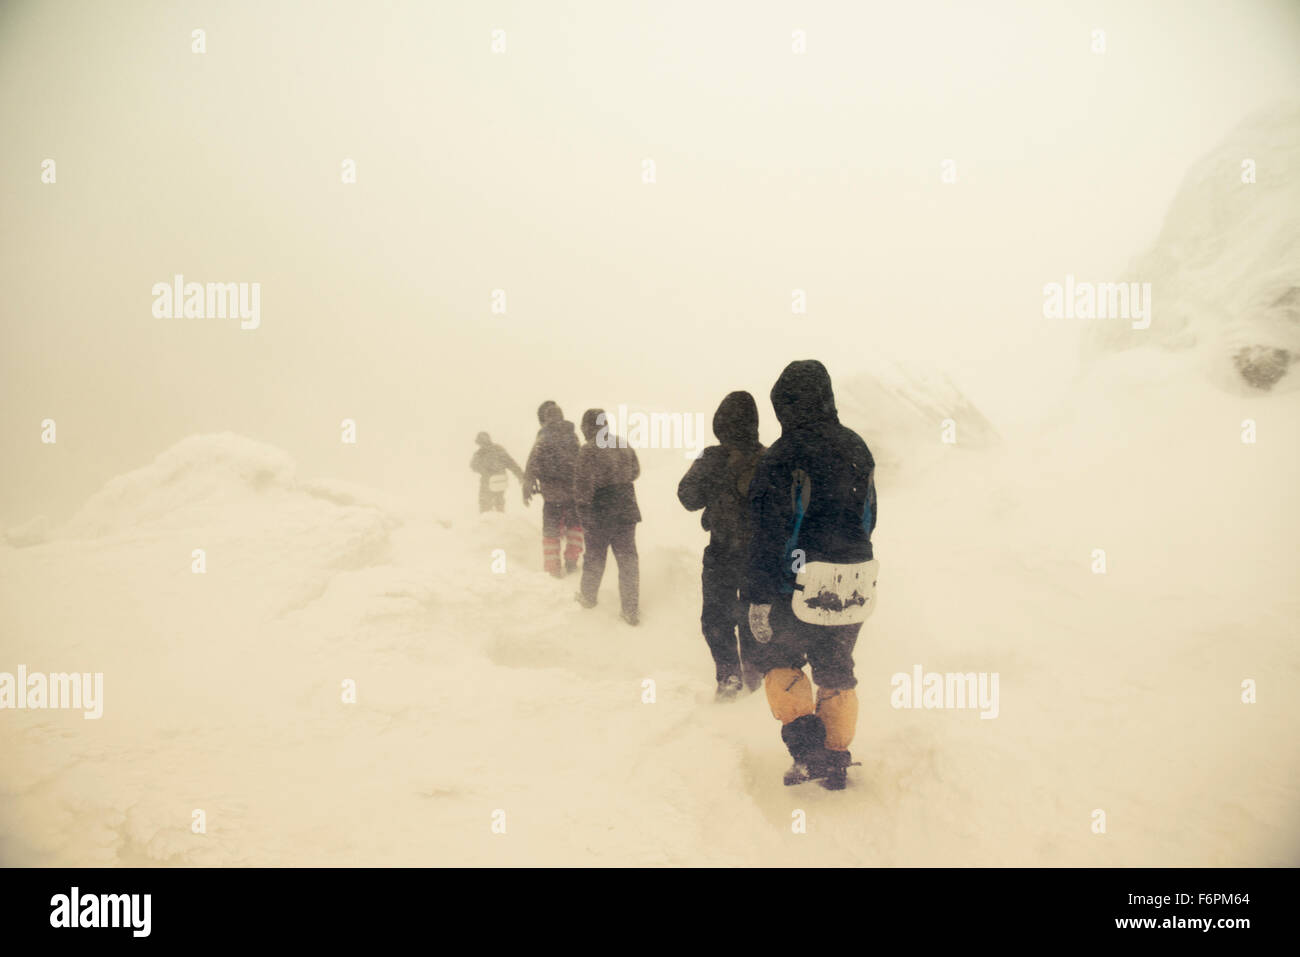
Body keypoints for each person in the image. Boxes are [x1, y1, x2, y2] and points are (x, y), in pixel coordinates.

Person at [745, 360, 878, 791]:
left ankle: (810, 752)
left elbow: (766, 531)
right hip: (856, 580)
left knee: (780, 661)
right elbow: (869, 516)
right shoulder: (857, 447)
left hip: (797, 583)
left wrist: (760, 593)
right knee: (836, 668)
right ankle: (837, 758)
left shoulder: (783, 455)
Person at [677, 391, 766, 701]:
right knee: (755, 617)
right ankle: (756, 677)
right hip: (761, 557)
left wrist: (714, 477)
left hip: (722, 551)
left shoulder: (712, 457)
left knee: (717, 617)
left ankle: (729, 678)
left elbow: (687, 497)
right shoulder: (769, 457)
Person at [573, 409, 641, 626]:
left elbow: (583, 488)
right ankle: (630, 610)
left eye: (584, 426)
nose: (582, 431)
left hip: (600, 509)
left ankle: (587, 598)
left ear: (589, 426)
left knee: (594, 556)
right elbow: (635, 472)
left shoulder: (588, 450)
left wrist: (583, 512)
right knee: (628, 560)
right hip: (626, 506)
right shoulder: (622, 443)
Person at [523, 401, 584, 577]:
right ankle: (572, 560)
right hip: (573, 493)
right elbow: (582, 461)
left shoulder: (543, 437)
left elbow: (532, 463)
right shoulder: (572, 436)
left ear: (546, 419)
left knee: (551, 532)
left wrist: (527, 487)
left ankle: (552, 568)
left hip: (552, 496)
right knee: (574, 527)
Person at [469, 432, 524, 513]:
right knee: (498, 503)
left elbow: (473, 466)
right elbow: (511, 463)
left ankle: (490, 521)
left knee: (486, 506)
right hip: (498, 482)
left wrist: (484, 470)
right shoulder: (498, 449)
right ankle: (497, 519)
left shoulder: (481, 453)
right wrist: (520, 475)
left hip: (490, 482)